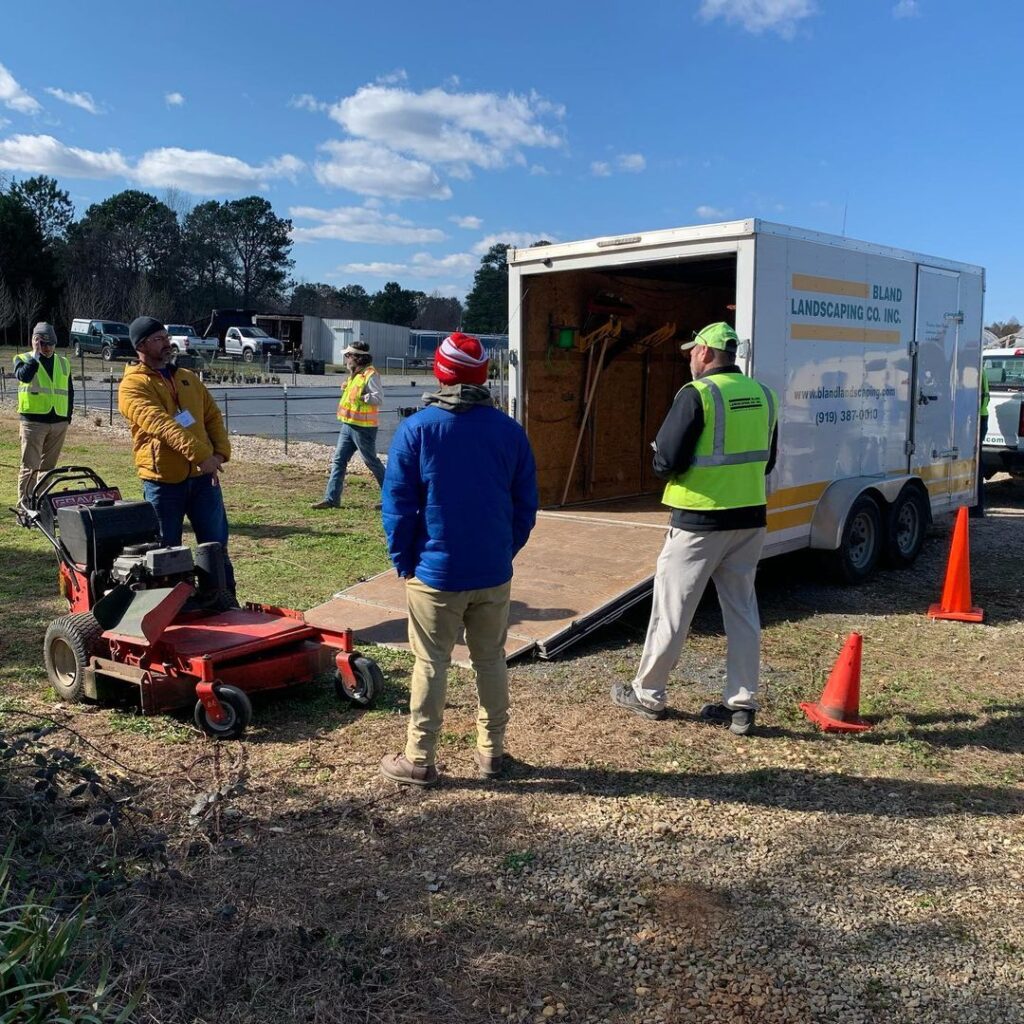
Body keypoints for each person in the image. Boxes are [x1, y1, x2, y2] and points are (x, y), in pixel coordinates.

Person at [379, 332, 538, 787]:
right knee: (491, 660)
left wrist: (404, 559)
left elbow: (399, 506)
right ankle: (492, 755)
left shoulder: (418, 430)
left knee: (431, 663)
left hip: (435, 572)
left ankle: (419, 759)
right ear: (484, 374)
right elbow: (525, 504)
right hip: (491, 571)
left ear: (440, 372)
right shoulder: (510, 431)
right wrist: (504, 550)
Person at [611, 322, 778, 736]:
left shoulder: (697, 395)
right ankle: (741, 706)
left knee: (672, 610)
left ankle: (649, 694)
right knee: (741, 611)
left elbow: (665, 460)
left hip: (699, 520)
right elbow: (768, 460)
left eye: (692, 351)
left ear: (705, 353)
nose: (689, 358)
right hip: (750, 518)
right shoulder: (764, 395)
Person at [118, 316, 236, 596]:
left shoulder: (188, 378)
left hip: (204, 480)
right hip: (163, 482)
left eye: (166, 336)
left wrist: (220, 453)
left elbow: (212, 416)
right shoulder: (132, 386)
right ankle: (173, 609)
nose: (167, 343)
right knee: (166, 553)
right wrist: (201, 455)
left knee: (216, 546)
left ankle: (224, 599)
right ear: (141, 346)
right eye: (158, 339)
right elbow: (161, 424)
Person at [311, 341, 385, 509]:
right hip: (349, 425)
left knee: (371, 462)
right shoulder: (356, 374)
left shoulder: (371, 374)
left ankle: (393, 498)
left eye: (347, 356)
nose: (346, 360)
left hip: (363, 428)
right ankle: (332, 499)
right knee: (339, 461)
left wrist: (364, 395)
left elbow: (378, 398)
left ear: (356, 358)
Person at [14, 323, 73, 510]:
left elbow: (69, 391)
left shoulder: (64, 363)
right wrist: (35, 356)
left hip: (58, 422)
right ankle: (25, 509)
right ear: (34, 341)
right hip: (33, 422)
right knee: (29, 467)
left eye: (50, 344)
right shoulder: (22, 359)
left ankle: (41, 506)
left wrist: (68, 417)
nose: (47, 348)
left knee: (48, 469)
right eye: (43, 343)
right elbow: (24, 376)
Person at [971, 363, 989, 519]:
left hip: (976, 418)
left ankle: (976, 508)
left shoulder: (973, 367)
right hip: (980, 417)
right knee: (976, 463)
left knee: (975, 464)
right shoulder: (978, 366)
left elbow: (977, 395)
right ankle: (976, 508)